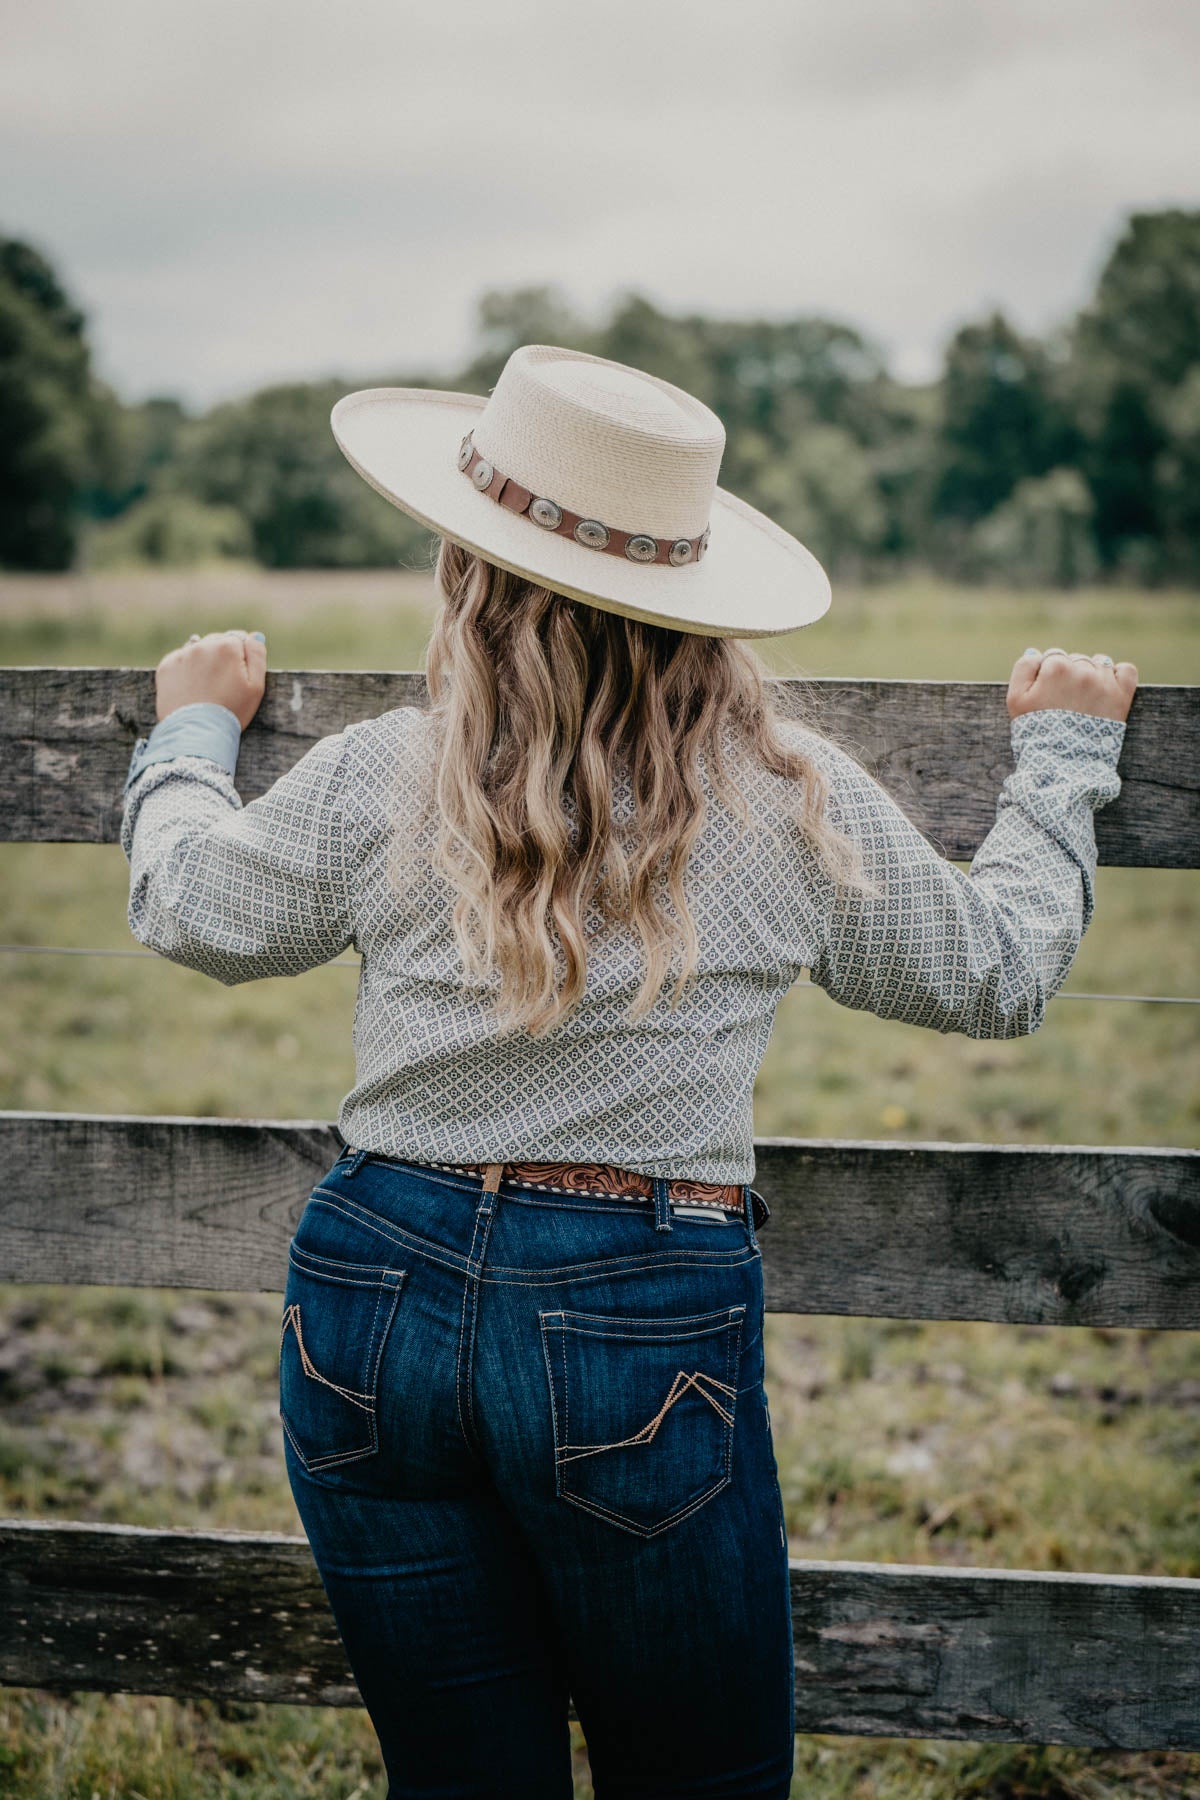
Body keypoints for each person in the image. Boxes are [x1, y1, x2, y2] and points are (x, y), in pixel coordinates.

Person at [120, 344, 1137, 1800]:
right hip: (635, 1310)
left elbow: (186, 906)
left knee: (464, 1781)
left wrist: (190, 733)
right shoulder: (782, 799)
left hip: (369, 1291)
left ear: (468, 576)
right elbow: (997, 971)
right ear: (697, 596)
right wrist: (1061, 765)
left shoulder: (383, 774)